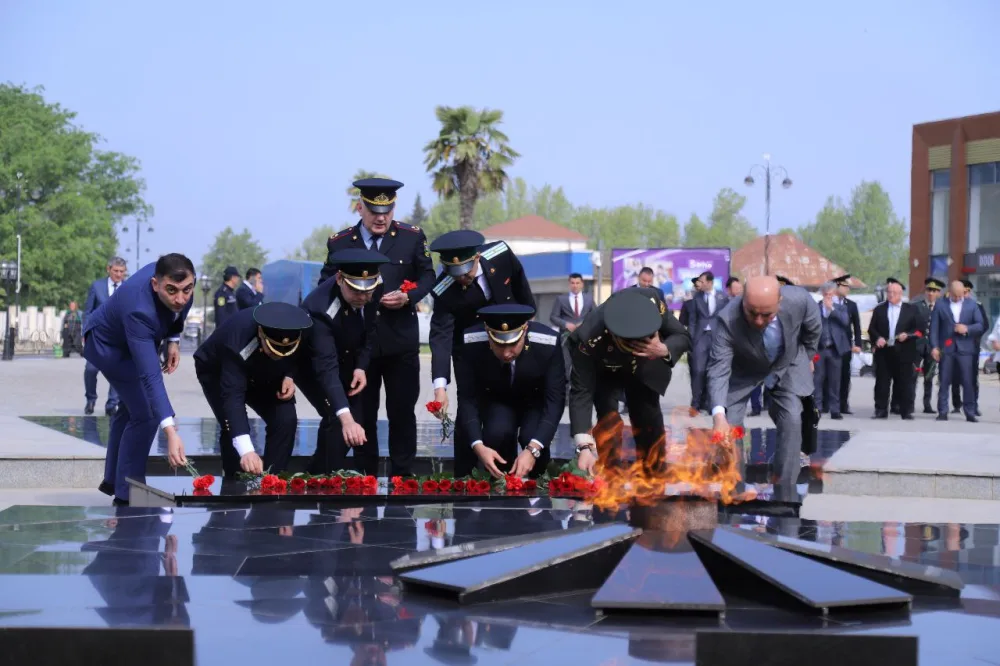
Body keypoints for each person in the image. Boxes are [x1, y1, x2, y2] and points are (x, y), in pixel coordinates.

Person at [320, 178, 435, 477]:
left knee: (402, 414)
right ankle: (365, 477)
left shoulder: (411, 237)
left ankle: (402, 478)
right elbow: (325, 285)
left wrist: (409, 297)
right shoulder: (340, 242)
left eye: (387, 210)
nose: (381, 217)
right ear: (360, 208)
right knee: (363, 414)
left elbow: (428, 277)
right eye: (373, 210)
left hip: (401, 343)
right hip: (358, 348)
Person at [83, 254, 195, 505]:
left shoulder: (182, 285)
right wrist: (170, 431)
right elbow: (150, 375)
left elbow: (178, 313)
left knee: (131, 409)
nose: (180, 298)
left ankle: (114, 479)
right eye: (172, 291)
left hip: (134, 339)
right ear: (155, 284)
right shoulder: (139, 309)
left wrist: (173, 341)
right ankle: (128, 493)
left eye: (187, 290)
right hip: (108, 347)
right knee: (147, 414)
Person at [428, 229, 535, 478]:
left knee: (506, 412)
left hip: (508, 342)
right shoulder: (443, 288)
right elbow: (441, 337)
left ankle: (509, 473)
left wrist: (526, 321)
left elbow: (520, 283)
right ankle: (464, 478)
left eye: (466, 272)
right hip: (470, 352)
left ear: (477, 257)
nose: (462, 279)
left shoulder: (500, 254)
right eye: (454, 273)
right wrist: (440, 388)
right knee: (469, 410)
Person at [707, 276, 821, 499]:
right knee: (730, 426)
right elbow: (718, 370)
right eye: (752, 313)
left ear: (780, 301)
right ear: (743, 303)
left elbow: (813, 329)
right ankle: (734, 486)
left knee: (792, 418)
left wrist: (807, 356)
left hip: (786, 362)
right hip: (744, 368)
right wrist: (718, 416)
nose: (759, 321)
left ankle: (785, 489)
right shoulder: (727, 320)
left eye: (766, 314)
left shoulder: (800, 300)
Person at [569, 288, 690, 475]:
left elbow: (682, 336)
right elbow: (581, 392)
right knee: (608, 417)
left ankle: (655, 473)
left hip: (647, 360)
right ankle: (610, 473)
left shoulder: (652, 304)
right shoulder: (588, 338)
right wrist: (584, 446)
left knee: (647, 416)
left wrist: (663, 349)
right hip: (605, 368)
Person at [193, 302, 312, 479]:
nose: (278, 355)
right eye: (273, 351)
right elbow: (233, 399)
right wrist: (247, 451)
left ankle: (273, 481)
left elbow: (298, 355)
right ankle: (235, 482)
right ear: (261, 334)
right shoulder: (237, 341)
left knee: (285, 418)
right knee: (232, 424)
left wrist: (289, 375)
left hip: (265, 370)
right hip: (217, 371)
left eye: (283, 352)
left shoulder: (298, 328)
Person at [297, 249, 385, 474]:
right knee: (338, 419)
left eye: (368, 291)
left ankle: (319, 475)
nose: (364, 297)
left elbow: (371, 330)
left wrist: (361, 367)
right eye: (356, 291)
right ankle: (321, 479)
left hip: (348, 359)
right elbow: (326, 367)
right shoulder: (319, 309)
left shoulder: (373, 287)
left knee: (353, 422)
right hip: (312, 365)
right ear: (339, 279)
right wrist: (345, 418)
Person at [458, 304, 565, 480]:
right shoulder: (471, 342)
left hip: (535, 400)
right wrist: (477, 445)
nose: (507, 353)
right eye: (499, 345)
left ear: (525, 331)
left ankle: (540, 487)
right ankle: (499, 486)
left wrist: (533, 449)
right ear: (487, 333)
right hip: (497, 398)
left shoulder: (548, 343)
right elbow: (467, 398)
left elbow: (555, 400)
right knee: (497, 433)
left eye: (514, 344)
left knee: (533, 436)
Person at [932, 279, 984, 422]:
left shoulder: (972, 305)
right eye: (955, 295)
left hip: (966, 350)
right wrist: (934, 347)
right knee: (944, 380)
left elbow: (980, 325)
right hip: (946, 349)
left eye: (961, 295)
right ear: (950, 293)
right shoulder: (940, 304)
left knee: (968, 381)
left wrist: (967, 329)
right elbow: (934, 329)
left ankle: (970, 411)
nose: (958, 298)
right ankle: (942, 411)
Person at [869, 278, 920, 421]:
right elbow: (872, 328)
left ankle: (905, 410)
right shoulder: (880, 309)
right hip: (884, 351)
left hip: (904, 351)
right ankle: (880, 409)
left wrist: (908, 335)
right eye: (888, 292)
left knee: (904, 382)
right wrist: (877, 338)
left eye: (893, 292)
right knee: (882, 382)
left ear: (900, 294)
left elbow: (919, 330)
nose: (890, 295)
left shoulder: (911, 310)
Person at [83, 256, 127, 415]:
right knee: (90, 369)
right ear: (108, 270)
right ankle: (90, 399)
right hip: (97, 337)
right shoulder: (97, 286)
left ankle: (111, 404)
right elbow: (88, 312)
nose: (118, 274)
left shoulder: (128, 288)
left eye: (122, 271)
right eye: (115, 271)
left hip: (118, 339)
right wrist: (85, 332)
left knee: (115, 372)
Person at [683, 271, 728, 414]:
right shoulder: (697, 298)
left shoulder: (723, 297)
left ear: (709, 283)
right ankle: (695, 405)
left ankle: (712, 405)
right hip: (700, 338)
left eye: (702, 281)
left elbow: (727, 319)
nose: (699, 284)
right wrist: (690, 339)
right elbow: (692, 321)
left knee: (714, 372)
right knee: (697, 370)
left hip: (717, 338)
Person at [813, 281, 851, 419]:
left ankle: (835, 409)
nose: (829, 297)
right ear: (823, 294)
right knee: (818, 379)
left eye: (831, 294)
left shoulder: (840, 308)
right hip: (820, 349)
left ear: (834, 294)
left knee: (835, 381)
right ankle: (817, 408)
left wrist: (832, 310)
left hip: (835, 349)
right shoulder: (816, 307)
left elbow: (845, 322)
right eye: (826, 294)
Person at [951, 279, 988, 416]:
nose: (963, 295)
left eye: (965, 292)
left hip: (971, 346)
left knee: (972, 377)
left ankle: (973, 404)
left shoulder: (976, 306)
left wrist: (970, 333)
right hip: (954, 346)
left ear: (969, 292)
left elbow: (984, 325)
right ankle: (956, 404)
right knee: (955, 375)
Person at [549, 273, 595, 382]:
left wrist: (584, 323)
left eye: (577, 283)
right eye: (572, 283)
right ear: (569, 284)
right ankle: (565, 389)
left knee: (583, 363)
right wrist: (565, 324)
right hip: (566, 338)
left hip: (584, 338)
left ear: (582, 284)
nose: (575, 285)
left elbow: (595, 315)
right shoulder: (561, 299)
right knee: (566, 364)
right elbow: (553, 317)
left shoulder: (588, 299)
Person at [832, 274, 862, 415]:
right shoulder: (828, 302)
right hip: (831, 345)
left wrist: (858, 344)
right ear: (837, 286)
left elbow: (856, 326)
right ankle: (830, 404)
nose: (847, 289)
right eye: (845, 286)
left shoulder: (851, 305)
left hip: (845, 346)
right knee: (829, 376)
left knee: (845, 376)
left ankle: (843, 404)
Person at [914, 277, 945, 414]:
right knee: (912, 376)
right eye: (929, 290)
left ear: (938, 293)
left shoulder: (942, 308)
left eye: (934, 291)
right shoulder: (917, 306)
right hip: (918, 345)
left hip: (933, 347)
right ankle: (909, 403)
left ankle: (927, 405)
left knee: (929, 376)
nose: (931, 293)